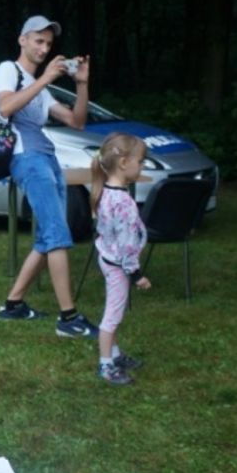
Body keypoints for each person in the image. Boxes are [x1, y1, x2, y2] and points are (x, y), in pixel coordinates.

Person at [0, 15, 99, 339]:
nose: (44, 48)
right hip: (27, 159)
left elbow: (77, 121)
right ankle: (68, 318)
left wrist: (81, 84)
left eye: (49, 43)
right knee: (56, 233)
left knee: (48, 236)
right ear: (22, 40)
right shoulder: (7, 71)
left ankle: (13, 304)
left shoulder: (41, 87)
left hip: (48, 159)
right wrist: (45, 78)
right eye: (38, 40)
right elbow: (6, 106)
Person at [89, 133, 150, 385]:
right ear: (124, 163)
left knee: (115, 310)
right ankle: (106, 366)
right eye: (141, 161)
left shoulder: (107, 193)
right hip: (118, 265)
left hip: (108, 258)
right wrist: (137, 274)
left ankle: (114, 354)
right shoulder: (123, 201)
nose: (142, 165)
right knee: (112, 316)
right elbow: (126, 245)